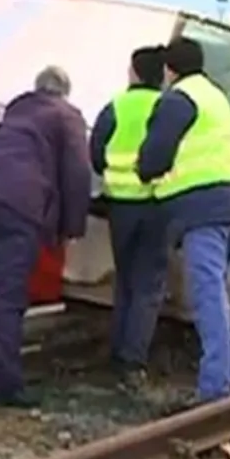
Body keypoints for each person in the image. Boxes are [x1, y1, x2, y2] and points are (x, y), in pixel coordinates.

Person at [0, 66, 91, 407]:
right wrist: (71, 226)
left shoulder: (17, 110)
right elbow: (78, 173)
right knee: (10, 295)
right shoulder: (67, 116)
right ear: (65, 92)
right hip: (20, 208)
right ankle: (5, 385)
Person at [137, 37, 230, 404]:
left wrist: (144, 170)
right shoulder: (215, 96)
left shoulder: (178, 99)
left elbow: (153, 158)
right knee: (215, 290)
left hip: (201, 211)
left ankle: (215, 387)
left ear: (170, 70)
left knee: (205, 295)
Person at [89, 45, 167, 387]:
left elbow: (96, 152)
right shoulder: (168, 107)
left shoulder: (116, 106)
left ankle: (117, 348)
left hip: (120, 206)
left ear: (134, 73)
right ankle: (132, 361)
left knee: (126, 281)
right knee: (148, 285)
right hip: (156, 205)